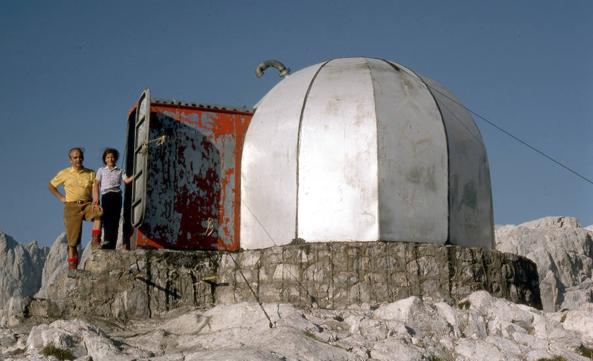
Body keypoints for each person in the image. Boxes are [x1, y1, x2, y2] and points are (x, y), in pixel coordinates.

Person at [48, 147, 103, 273]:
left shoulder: (90, 173)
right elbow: (51, 185)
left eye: (80, 157)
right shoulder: (64, 173)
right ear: (70, 160)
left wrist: (96, 200)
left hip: (87, 204)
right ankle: (72, 267)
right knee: (73, 241)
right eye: (75, 157)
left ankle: (95, 241)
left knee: (99, 212)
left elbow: (95, 187)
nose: (78, 159)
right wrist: (61, 197)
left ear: (83, 158)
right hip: (71, 207)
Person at [93, 148, 133, 249]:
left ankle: (113, 244)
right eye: (108, 157)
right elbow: (96, 184)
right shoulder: (101, 170)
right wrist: (96, 197)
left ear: (115, 158)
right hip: (106, 195)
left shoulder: (120, 171)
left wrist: (136, 175)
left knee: (115, 219)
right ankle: (106, 240)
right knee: (106, 219)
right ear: (105, 159)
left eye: (112, 157)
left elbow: (127, 180)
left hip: (117, 196)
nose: (110, 159)